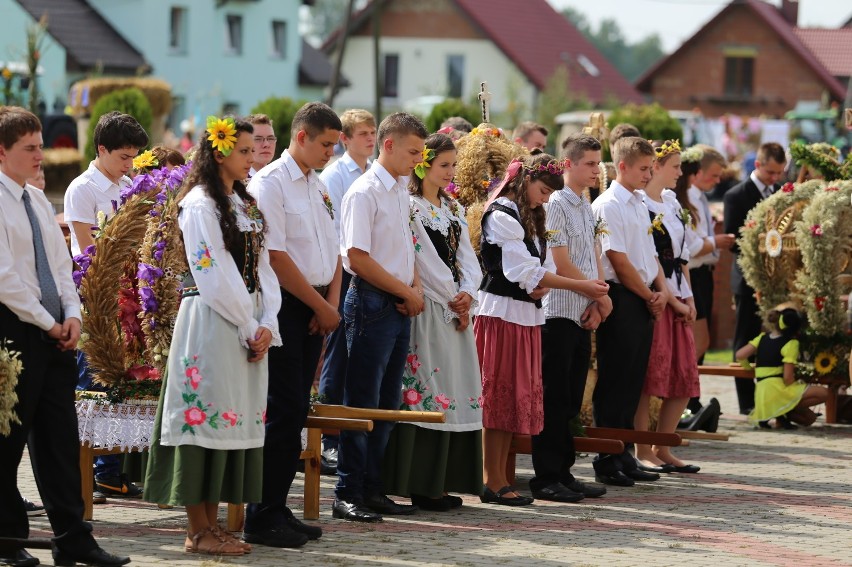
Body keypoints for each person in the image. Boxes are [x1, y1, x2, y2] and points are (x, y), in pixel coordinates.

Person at [143, 117, 281, 556]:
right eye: (243, 150)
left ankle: (214, 524)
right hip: (212, 323)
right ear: (220, 151)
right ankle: (196, 529)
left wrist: (268, 323)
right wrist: (247, 323)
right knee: (203, 420)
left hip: (246, 324)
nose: (251, 157)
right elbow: (211, 272)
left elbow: (264, 269)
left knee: (227, 421)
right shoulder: (200, 203)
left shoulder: (245, 203)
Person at [1, 106, 130, 567]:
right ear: (2, 152)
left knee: (59, 439)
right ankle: (7, 540)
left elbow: (61, 265)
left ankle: (73, 537)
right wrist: (46, 321)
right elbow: (5, 278)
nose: (41, 156)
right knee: (7, 440)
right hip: (14, 332)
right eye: (30, 148)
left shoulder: (36, 200)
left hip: (55, 332)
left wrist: (72, 315)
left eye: (40, 145)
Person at [477, 153, 609, 506]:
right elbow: (520, 268)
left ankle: (501, 478)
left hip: (526, 313)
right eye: (542, 190)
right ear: (524, 180)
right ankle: (491, 477)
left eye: (551, 193)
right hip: (501, 312)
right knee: (498, 395)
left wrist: (544, 284)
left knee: (514, 397)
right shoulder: (502, 213)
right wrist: (571, 286)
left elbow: (544, 263)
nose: (545, 198)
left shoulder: (531, 215)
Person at [243, 102, 342, 548]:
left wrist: (331, 302)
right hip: (286, 305)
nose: (330, 153)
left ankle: (279, 506)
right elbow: (276, 256)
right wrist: (318, 307)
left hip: (318, 303)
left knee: (297, 409)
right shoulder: (270, 184)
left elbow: (334, 248)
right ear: (301, 136)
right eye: (325, 144)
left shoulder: (318, 185)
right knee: (281, 410)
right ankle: (261, 515)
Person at [333, 112, 428, 523]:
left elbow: (406, 247)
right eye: (412, 152)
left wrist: (415, 287)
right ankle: (347, 491)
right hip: (371, 303)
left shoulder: (401, 190)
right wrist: (404, 290)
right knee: (362, 401)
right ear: (388, 145)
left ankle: (373, 487)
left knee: (387, 403)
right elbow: (356, 257)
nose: (417, 160)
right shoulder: (364, 191)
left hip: (398, 301)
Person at [381, 133, 483, 511]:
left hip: (456, 308)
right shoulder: (410, 207)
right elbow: (422, 257)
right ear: (424, 165)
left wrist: (469, 293)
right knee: (427, 386)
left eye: (454, 165)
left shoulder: (453, 209)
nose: (450, 172)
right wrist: (450, 297)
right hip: (430, 309)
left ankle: (442, 480)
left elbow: (467, 256)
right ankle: (418, 481)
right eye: (444, 165)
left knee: (454, 388)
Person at [65, 111, 149, 503]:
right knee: (93, 380)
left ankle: (112, 471)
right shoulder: (82, 189)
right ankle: (87, 470)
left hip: (130, 296)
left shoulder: (131, 184)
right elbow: (87, 250)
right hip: (97, 296)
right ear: (101, 149)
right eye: (123, 156)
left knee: (124, 380)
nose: (130, 165)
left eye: (133, 157)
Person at [529, 134, 611, 503]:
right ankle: (546, 475)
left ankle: (564, 471)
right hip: (557, 311)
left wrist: (598, 297)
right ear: (569, 164)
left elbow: (591, 254)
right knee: (554, 395)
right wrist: (594, 291)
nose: (597, 170)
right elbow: (559, 260)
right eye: (590, 163)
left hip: (580, 309)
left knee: (573, 396)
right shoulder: (557, 203)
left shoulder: (585, 203)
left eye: (598, 162)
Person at [590, 137, 669, 487]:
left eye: (651, 168)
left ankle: (625, 452)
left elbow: (648, 254)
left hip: (643, 296)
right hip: (622, 296)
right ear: (621, 166)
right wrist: (648, 294)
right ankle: (607, 456)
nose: (648, 174)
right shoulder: (609, 204)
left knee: (633, 379)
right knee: (614, 379)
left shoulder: (638, 202)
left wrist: (661, 290)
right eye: (643, 168)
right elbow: (618, 261)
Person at [634, 140, 701, 474]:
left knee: (684, 374)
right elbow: (652, 256)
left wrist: (689, 298)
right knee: (652, 376)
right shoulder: (642, 203)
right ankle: (642, 448)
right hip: (657, 296)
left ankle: (664, 444)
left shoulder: (673, 203)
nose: (680, 173)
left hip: (678, 291)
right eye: (675, 166)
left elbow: (682, 255)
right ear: (657, 167)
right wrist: (672, 299)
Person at [318, 110, 376, 471]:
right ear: (345, 139)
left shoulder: (372, 172)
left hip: (370, 274)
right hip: (346, 273)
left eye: (373, 132)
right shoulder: (335, 176)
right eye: (363, 134)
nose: (369, 139)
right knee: (337, 358)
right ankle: (328, 438)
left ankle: (355, 433)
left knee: (361, 358)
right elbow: (336, 233)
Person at [724, 142, 786, 415]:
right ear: (758, 165)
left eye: (779, 173)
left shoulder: (780, 194)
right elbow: (732, 241)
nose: (775, 178)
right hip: (748, 277)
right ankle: (746, 402)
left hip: (775, 279)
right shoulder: (736, 195)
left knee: (774, 337)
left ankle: (770, 398)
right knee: (745, 337)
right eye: (771, 172)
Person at [736, 307, 828, 429]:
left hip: (761, 392)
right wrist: (799, 385)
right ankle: (785, 411)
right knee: (823, 393)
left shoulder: (762, 337)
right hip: (777, 390)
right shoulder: (791, 343)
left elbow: (740, 355)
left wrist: (748, 368)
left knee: (810, 418)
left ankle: (780, 413)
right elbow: (787, 378)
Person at [246, 114, 277, 178]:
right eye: (258, 139)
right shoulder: (236, 182)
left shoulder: (279, 178)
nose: (266, 144)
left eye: (270, 138)